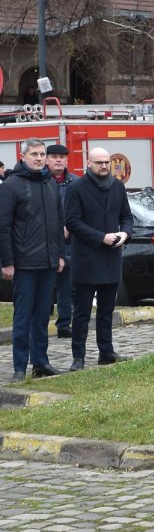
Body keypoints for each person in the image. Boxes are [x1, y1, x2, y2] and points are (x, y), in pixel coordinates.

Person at [0, 139, 67, 381]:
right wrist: (7, 262)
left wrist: (60, 255)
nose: (39, 158)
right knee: (23, 317)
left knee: (42, 317)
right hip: (24, 264)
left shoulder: (50, 184)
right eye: (34, 154)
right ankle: (20, 366)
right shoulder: (11, 185)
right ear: (23, 156)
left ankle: (41, 362)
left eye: (41, 154)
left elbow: (58, 223)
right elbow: (3, 226)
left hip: (48, 263)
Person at [63, 147, 134, 371]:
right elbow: (72, 221)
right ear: (89, 163)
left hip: (111, 257)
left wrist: (125, 233)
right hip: (86, 259)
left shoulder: (117, 186)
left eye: (106, 162)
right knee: (82, 313)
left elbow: (126, 216)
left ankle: (106, 352)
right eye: (99, 162)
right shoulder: (76, 188)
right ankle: (78, 357)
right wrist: (100, 237)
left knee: (106, 311)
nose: (104, 166)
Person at [46, 143, 78, 339]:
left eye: (62, 157)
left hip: (68, 243)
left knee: (66, 286)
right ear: (47, 159)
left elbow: (82, 211)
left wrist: (70, 227)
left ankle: (64, 324)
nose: (58, 160)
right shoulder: (40, 180)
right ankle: (40, 322)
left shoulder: (76, 182)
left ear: (67, 160)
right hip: (43, 242)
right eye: (54, 157)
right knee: (44, 285)